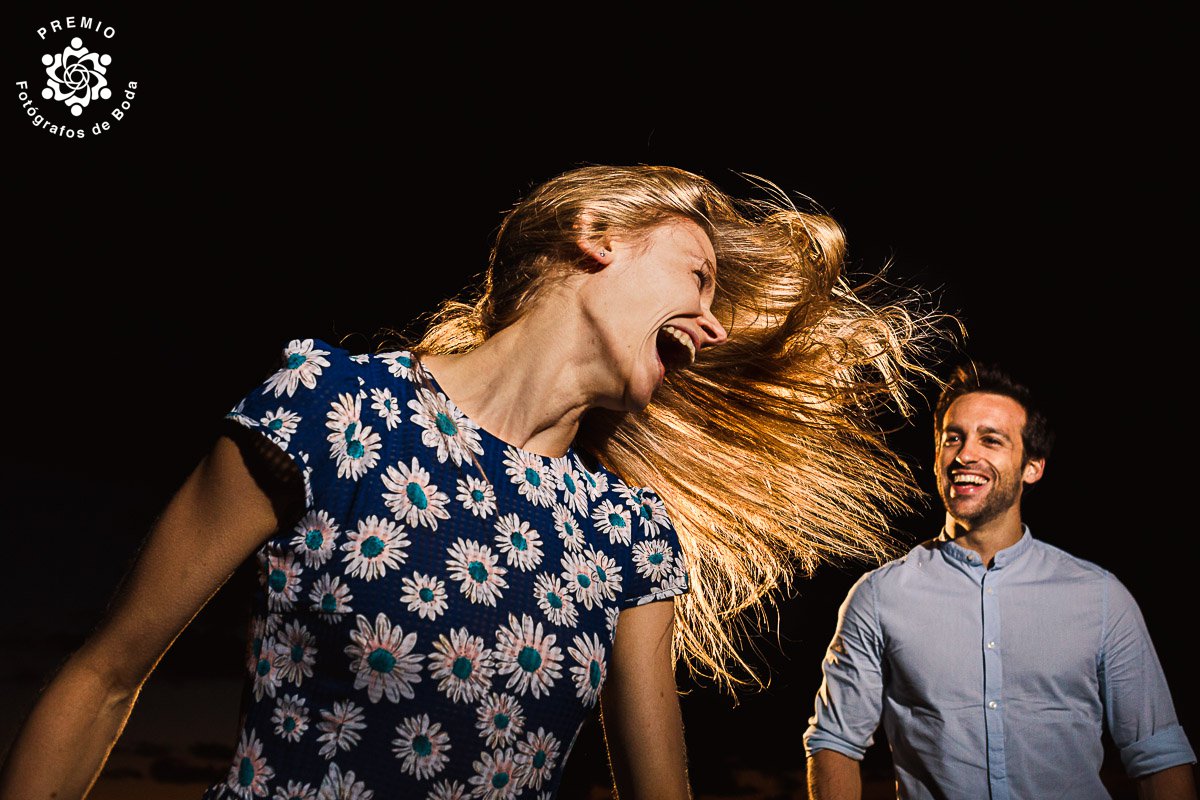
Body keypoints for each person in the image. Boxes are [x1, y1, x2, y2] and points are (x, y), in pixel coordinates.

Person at [1, 164, 942, 800]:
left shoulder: (625, 532)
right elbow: (104, 674)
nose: (712, 324)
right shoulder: (332, 409)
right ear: (596, 235)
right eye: (696, 277)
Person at [803, 361, 1198, 799]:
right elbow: (834, 742)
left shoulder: (1101, 598)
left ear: (1033, 467)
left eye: (991, 439)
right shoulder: (879, 597)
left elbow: (1158, 754)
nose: (966, 454)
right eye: (953, 438)